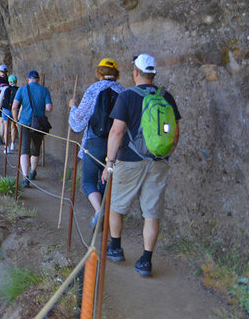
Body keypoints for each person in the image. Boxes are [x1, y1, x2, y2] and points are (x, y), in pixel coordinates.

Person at [101, 54, 181, 277]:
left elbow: (116, 131)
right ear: (153, 74)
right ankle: (146, 261)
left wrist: (109, 163)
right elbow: (175, 134)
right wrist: (163, 154)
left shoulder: (127, 96)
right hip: (159, 163)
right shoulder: (167, 97)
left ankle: (115, 247)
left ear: (135, 72)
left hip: (129, 161)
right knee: (151, 213)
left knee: (117, 205)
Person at [68, 58, 125, 228]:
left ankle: (99, 211)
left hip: (94, 142)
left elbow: (79, 121)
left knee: (88, 181)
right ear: (116, 73)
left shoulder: (93, 90)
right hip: (116, 145)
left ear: (98, 72)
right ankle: (106, 215)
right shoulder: (123, 91)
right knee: (107, 182)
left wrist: (72, 107)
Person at [12, 70, 52, 187]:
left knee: (24, 150)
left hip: (24, 123)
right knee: (35, 149)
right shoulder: (44, 90)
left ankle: (25, 178)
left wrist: (16, 121)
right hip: (38, 124)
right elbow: (49, 108)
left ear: (28, 79)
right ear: (38, 79)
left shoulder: (22, 89)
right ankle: (33, 171)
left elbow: (14, 107)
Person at [0, 74, 19, 153]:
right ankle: (12, 144)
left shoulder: (6, 88)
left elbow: (1, 98)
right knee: (13, 127)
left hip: (6, 109)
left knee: (6, 128)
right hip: (15, 110)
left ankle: (6, 147)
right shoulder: (18, 90)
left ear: (9, 81)